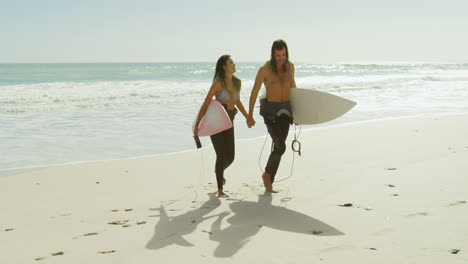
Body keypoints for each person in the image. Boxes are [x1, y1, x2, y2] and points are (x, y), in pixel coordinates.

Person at [194, 55, 250, 197]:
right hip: (217, 121)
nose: (234, 64)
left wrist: (248, 116)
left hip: (229, 120)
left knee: (230, 157)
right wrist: (197, 125)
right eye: (231, 62)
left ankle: (219, 171)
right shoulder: (218, 84)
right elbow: (206, 103)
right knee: (221, 155)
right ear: (224, 67)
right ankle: (220, 190)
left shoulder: (237, 82)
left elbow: (237, 101)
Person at [247, 39, 297, 193]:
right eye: (278, 56)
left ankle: (269, 180)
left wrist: (298, 113)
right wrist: (249, 115)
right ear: (273, 54)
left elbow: (293, 88)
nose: (281, 59)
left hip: (285, 112)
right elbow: (255, 91)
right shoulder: (265, 69)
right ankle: (268, 175)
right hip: (270, 112)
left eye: (283, 55)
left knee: (279, 148)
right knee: (280, 146)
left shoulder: (290, 67)